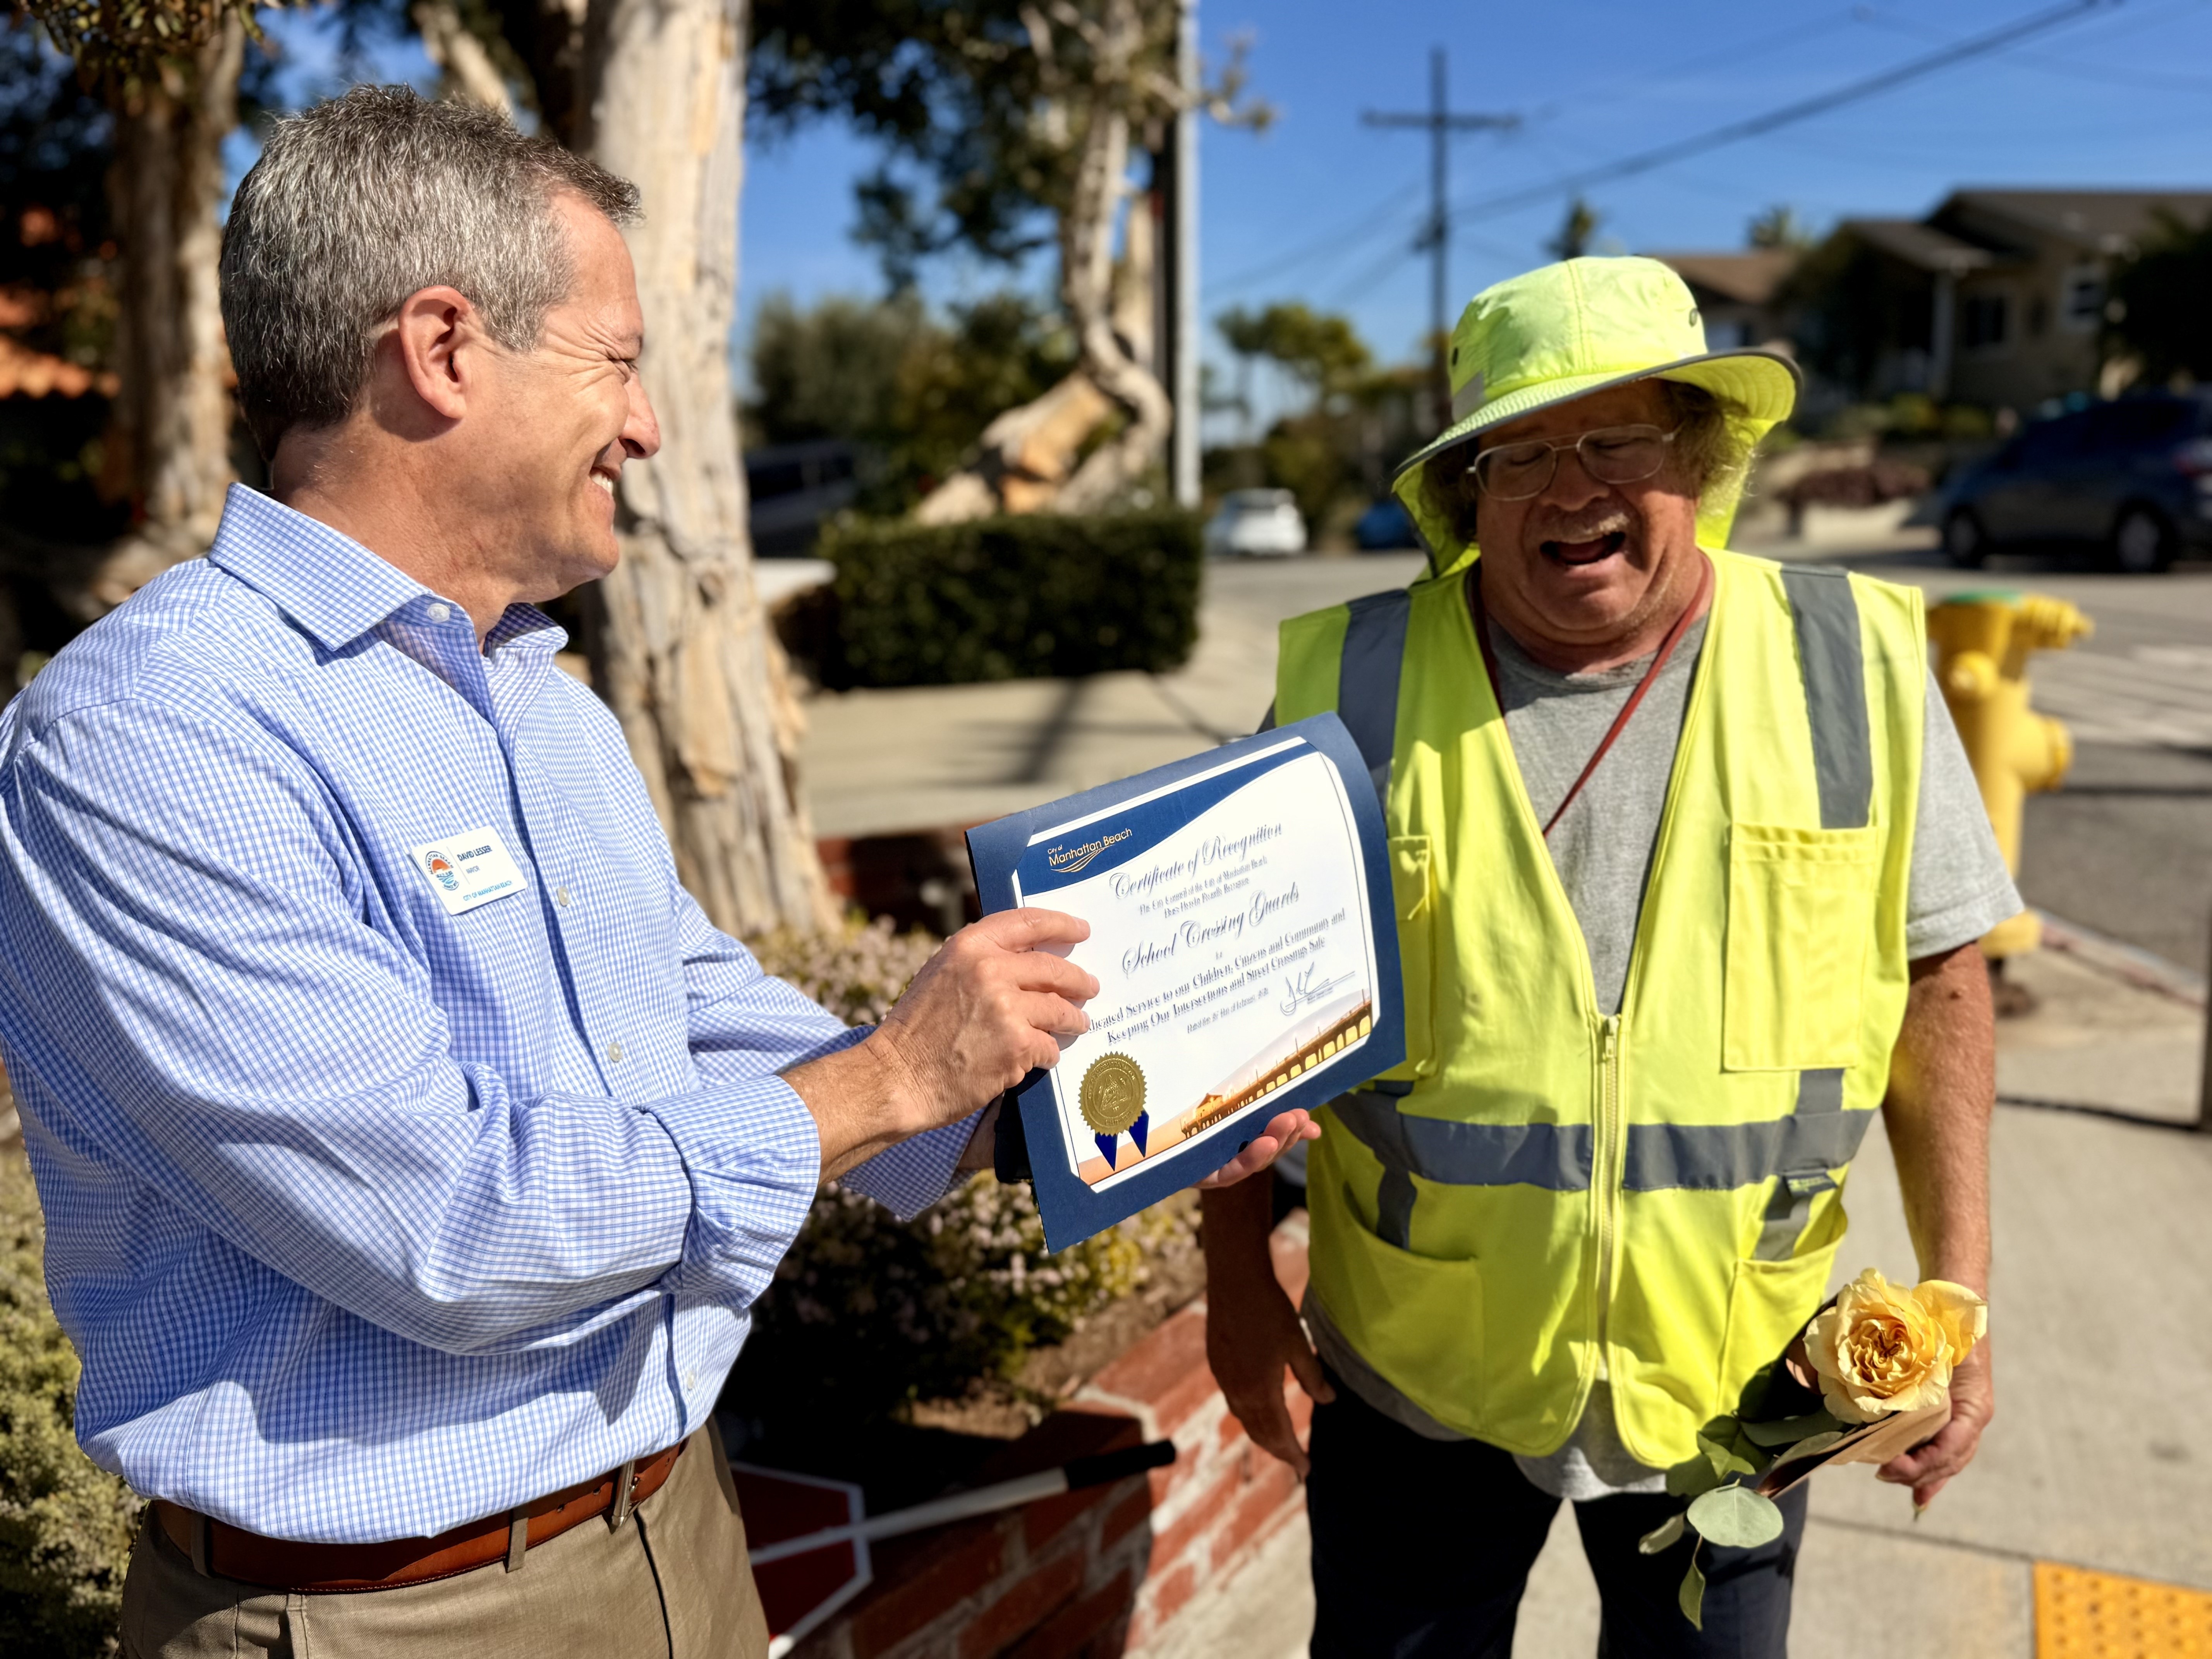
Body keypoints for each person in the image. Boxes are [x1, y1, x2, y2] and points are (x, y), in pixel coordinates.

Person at [0, 89, 1310, 1659]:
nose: (649, 426)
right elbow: (449, 1227)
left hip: (675, 1530)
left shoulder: (538, 700)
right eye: (618, 362)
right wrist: (886, 1080)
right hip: (383, 1617)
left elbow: (691, 1017)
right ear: (441, 348)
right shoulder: (151, 738)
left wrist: (1075, 1110)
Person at [1201, 257, 2014, 1657]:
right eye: (1517, 453)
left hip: (1743, 1385)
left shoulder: (1855, 661)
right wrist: (1231, 1287)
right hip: (1414, 1377)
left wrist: (1964, 1297)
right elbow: (1228, 1016)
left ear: (1699, 456)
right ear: (1468, 493)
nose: (1569, 486)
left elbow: (1941, 980)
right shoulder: (1351, 682)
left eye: (1617, 439)